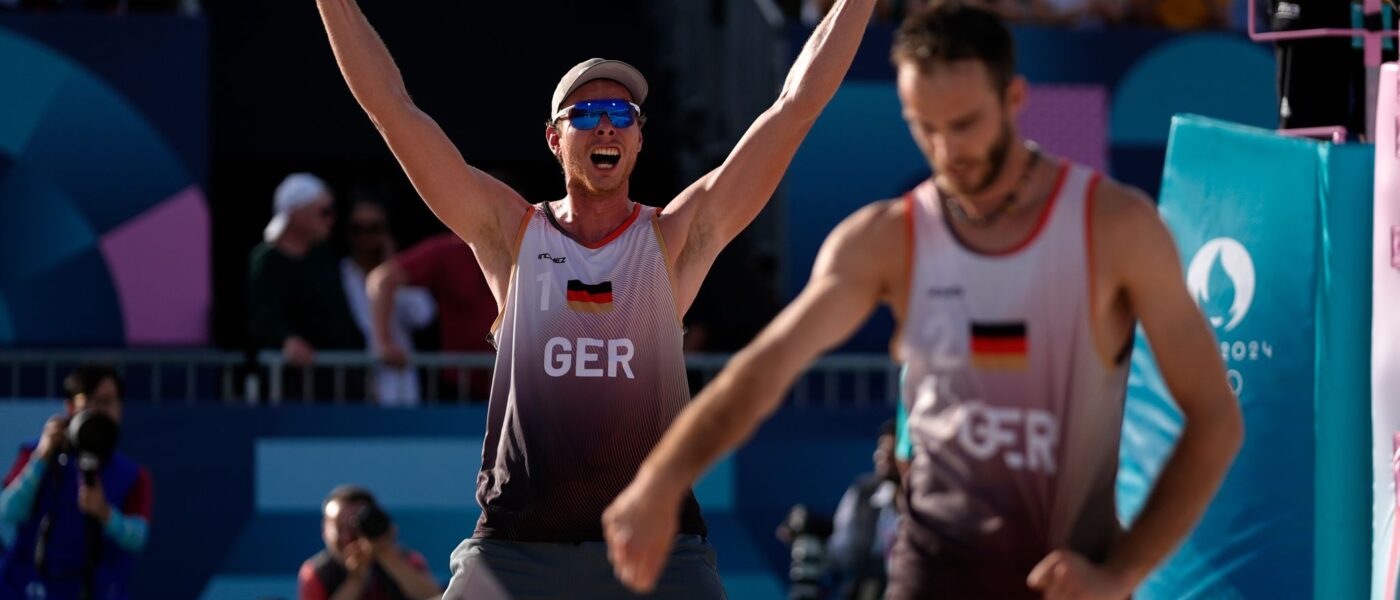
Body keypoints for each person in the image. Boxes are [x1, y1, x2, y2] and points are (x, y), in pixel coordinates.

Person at [602, 3, 1245, 598]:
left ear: (1014, 99)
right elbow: (763, 372)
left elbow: (1216, 419)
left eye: (965, 125)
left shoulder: (1115, 226)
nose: (947, 151)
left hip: (1064, 577)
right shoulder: (887, 239)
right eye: (924, 128)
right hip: (930, 574)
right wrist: (661, 480)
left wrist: (1120, 572)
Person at [315, 0, 877, 594]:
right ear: (556, 139)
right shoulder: (510, 234)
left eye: (621, 112)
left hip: (656, 542)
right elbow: (392, 111)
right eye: (586, 113)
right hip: (516, 547)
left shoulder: (674, 239)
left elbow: (795, 109)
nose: (605, 124)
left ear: (637, 139)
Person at [0, 365, 153, 600]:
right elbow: (6, 512)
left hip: (98, 591)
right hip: (25, 588)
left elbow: (137, 538)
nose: (100, 411)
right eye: (91, 401)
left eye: (108, 401)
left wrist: (104, 513)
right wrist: (41, 459)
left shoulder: (133, 475)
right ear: (70, 407)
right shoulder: (37, 454)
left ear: (120, 409)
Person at [248, 172, 364, 367]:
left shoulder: (325, 257)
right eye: (324, 211)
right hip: (291, 385)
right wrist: (287, 340)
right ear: (298, 214)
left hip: (341, 382)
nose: (331, 219)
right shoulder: (266, 260)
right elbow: (263, 317)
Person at [366, 233, 496, 401]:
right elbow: (381, 280)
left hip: (517, 387)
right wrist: (383, 343)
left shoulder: (527, 254)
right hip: (461, 390)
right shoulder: (449, 252)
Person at [338, 199, 437, 406]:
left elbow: (423, 314)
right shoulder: (340, 275)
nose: (366, 236)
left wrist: (391, 270)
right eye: (358, 228)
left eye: (374, 228)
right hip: (351, 381)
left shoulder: (402, 274)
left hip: (397, 381)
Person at [299, 485, 440, 600]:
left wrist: (386, 555)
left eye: (356, 527)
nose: (348, 537)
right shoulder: (316, 572)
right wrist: (356, 580)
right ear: (324, 529)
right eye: (339, 528)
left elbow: (436, 597)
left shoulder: (405, 559)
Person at [825, 421, 901, 600]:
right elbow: (840, 546)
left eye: (892, 452)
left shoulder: (929, 499)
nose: (882, 457)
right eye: (882, 450)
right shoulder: (862, 492)